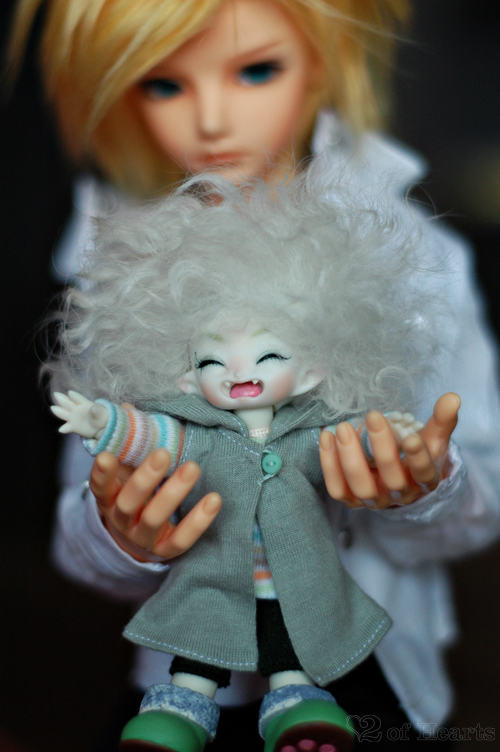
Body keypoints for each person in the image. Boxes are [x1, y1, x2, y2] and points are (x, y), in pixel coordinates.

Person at [7, 0, 500, 747]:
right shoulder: (119, 266)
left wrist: (423, 488)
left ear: (322, 66)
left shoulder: (417, 257)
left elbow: (483, 507)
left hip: (374, 669)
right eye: (163, 84)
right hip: (191, 674)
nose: (211, 120)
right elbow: (77, 543)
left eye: (256, 70)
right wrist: (122, 534)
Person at [48, 175, 445, 751]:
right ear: (187, 380)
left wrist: (391, 442)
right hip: (213, 578)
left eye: (269, 354)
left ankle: (298, 710)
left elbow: (349, 442)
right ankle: (178, 716)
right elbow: (155, 434)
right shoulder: (199, 433)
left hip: (296, 579)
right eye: (213, 361)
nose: (239, 372)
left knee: (292, 649)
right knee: (198, 650)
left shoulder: (309, 433)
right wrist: (102, 422)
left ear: (312, 370)